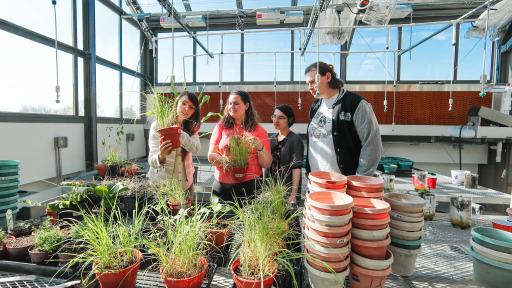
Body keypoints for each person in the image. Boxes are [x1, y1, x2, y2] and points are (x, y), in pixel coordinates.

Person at [304, 61, 382, 176]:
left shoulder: (356, 104)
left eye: (312, 82)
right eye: (307, 83)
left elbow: (372, 144)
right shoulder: (315, 106)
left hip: (343, 184)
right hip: (317, 182)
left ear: (328, 77)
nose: (309, 87)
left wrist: (360, 179)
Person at [208, 90, 272, 205]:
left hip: (250, 187)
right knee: (220, 221)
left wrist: (260, 148)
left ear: (247, 106)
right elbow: (211, 155)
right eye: (230, 103)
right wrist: (224, 161)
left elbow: (266, 163)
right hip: (222, 186)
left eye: (236, 103)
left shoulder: (259, 130)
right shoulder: (220, 127)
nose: (232, 106)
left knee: (249, 222)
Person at [147, 91, 201, 191]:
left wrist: (180, 133)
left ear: (194, 111)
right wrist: (161, 156)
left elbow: (196, 149)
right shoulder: (158, 126)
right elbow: (151, 161)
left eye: (191, 107)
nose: (186, 109)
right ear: (176, 103)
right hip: (160, 185)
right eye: (183, 103)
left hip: (184, 185)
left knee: (187, 207)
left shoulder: (192, 128)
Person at [265, 104, 304, 205]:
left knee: (288, 220)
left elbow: (296, 169)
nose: (276, 120)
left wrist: (293, 195)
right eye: (274, 116)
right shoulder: (272, 139)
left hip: (287, 191)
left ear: (289, 120)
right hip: (271, 190)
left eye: (281, 117)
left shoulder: (295, 140)